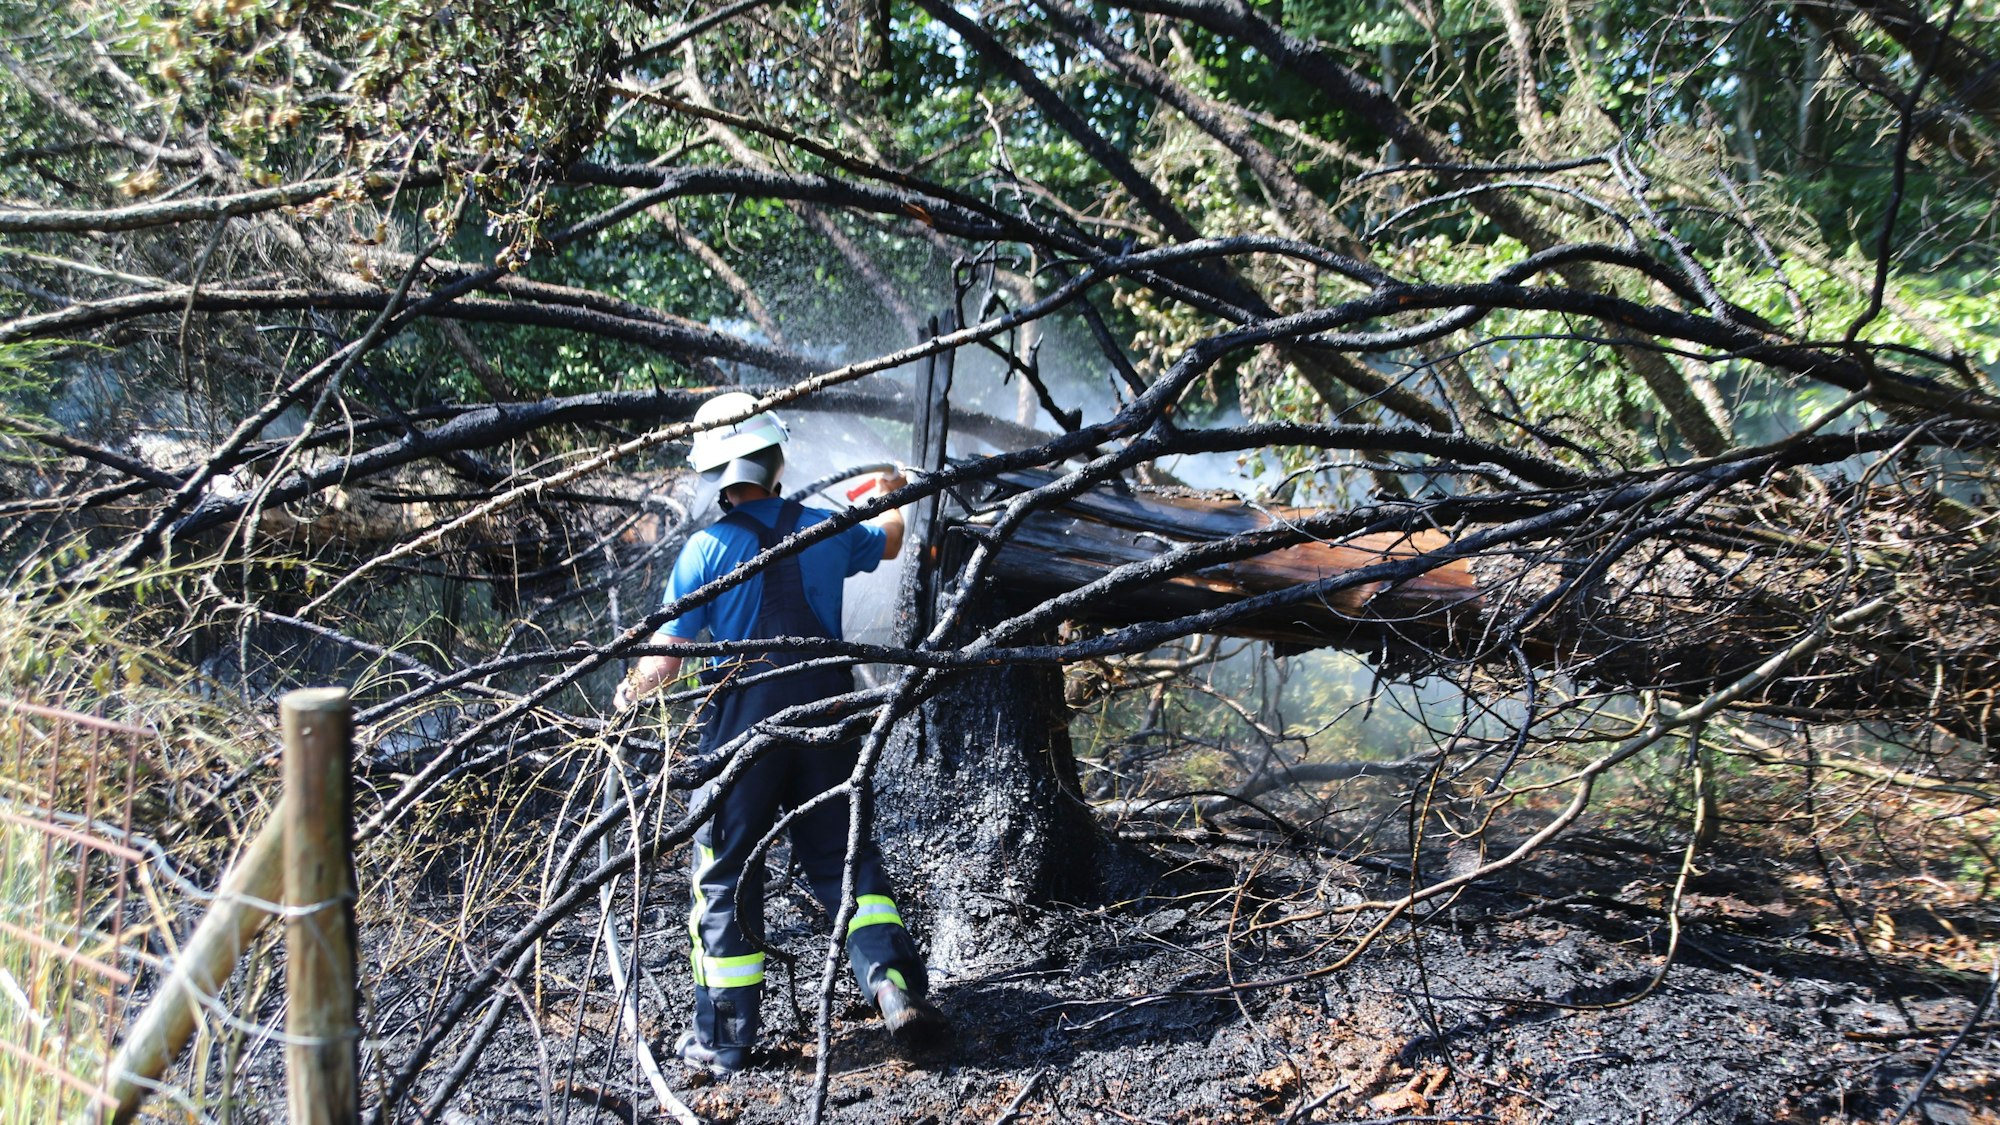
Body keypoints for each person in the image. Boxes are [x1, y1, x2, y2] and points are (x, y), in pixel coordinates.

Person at [613, 391, 941, 1076]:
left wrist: (625, 695)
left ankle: (724, 1039)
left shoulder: (705, 548)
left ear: (715, 474)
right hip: (829, 721)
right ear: (776, 459)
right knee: (843, 863)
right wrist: (890, 493)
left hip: (743, 735)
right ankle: (891, 983)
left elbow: (668, 659)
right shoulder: (823, 525)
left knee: (727, 873)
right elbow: (887, 539)